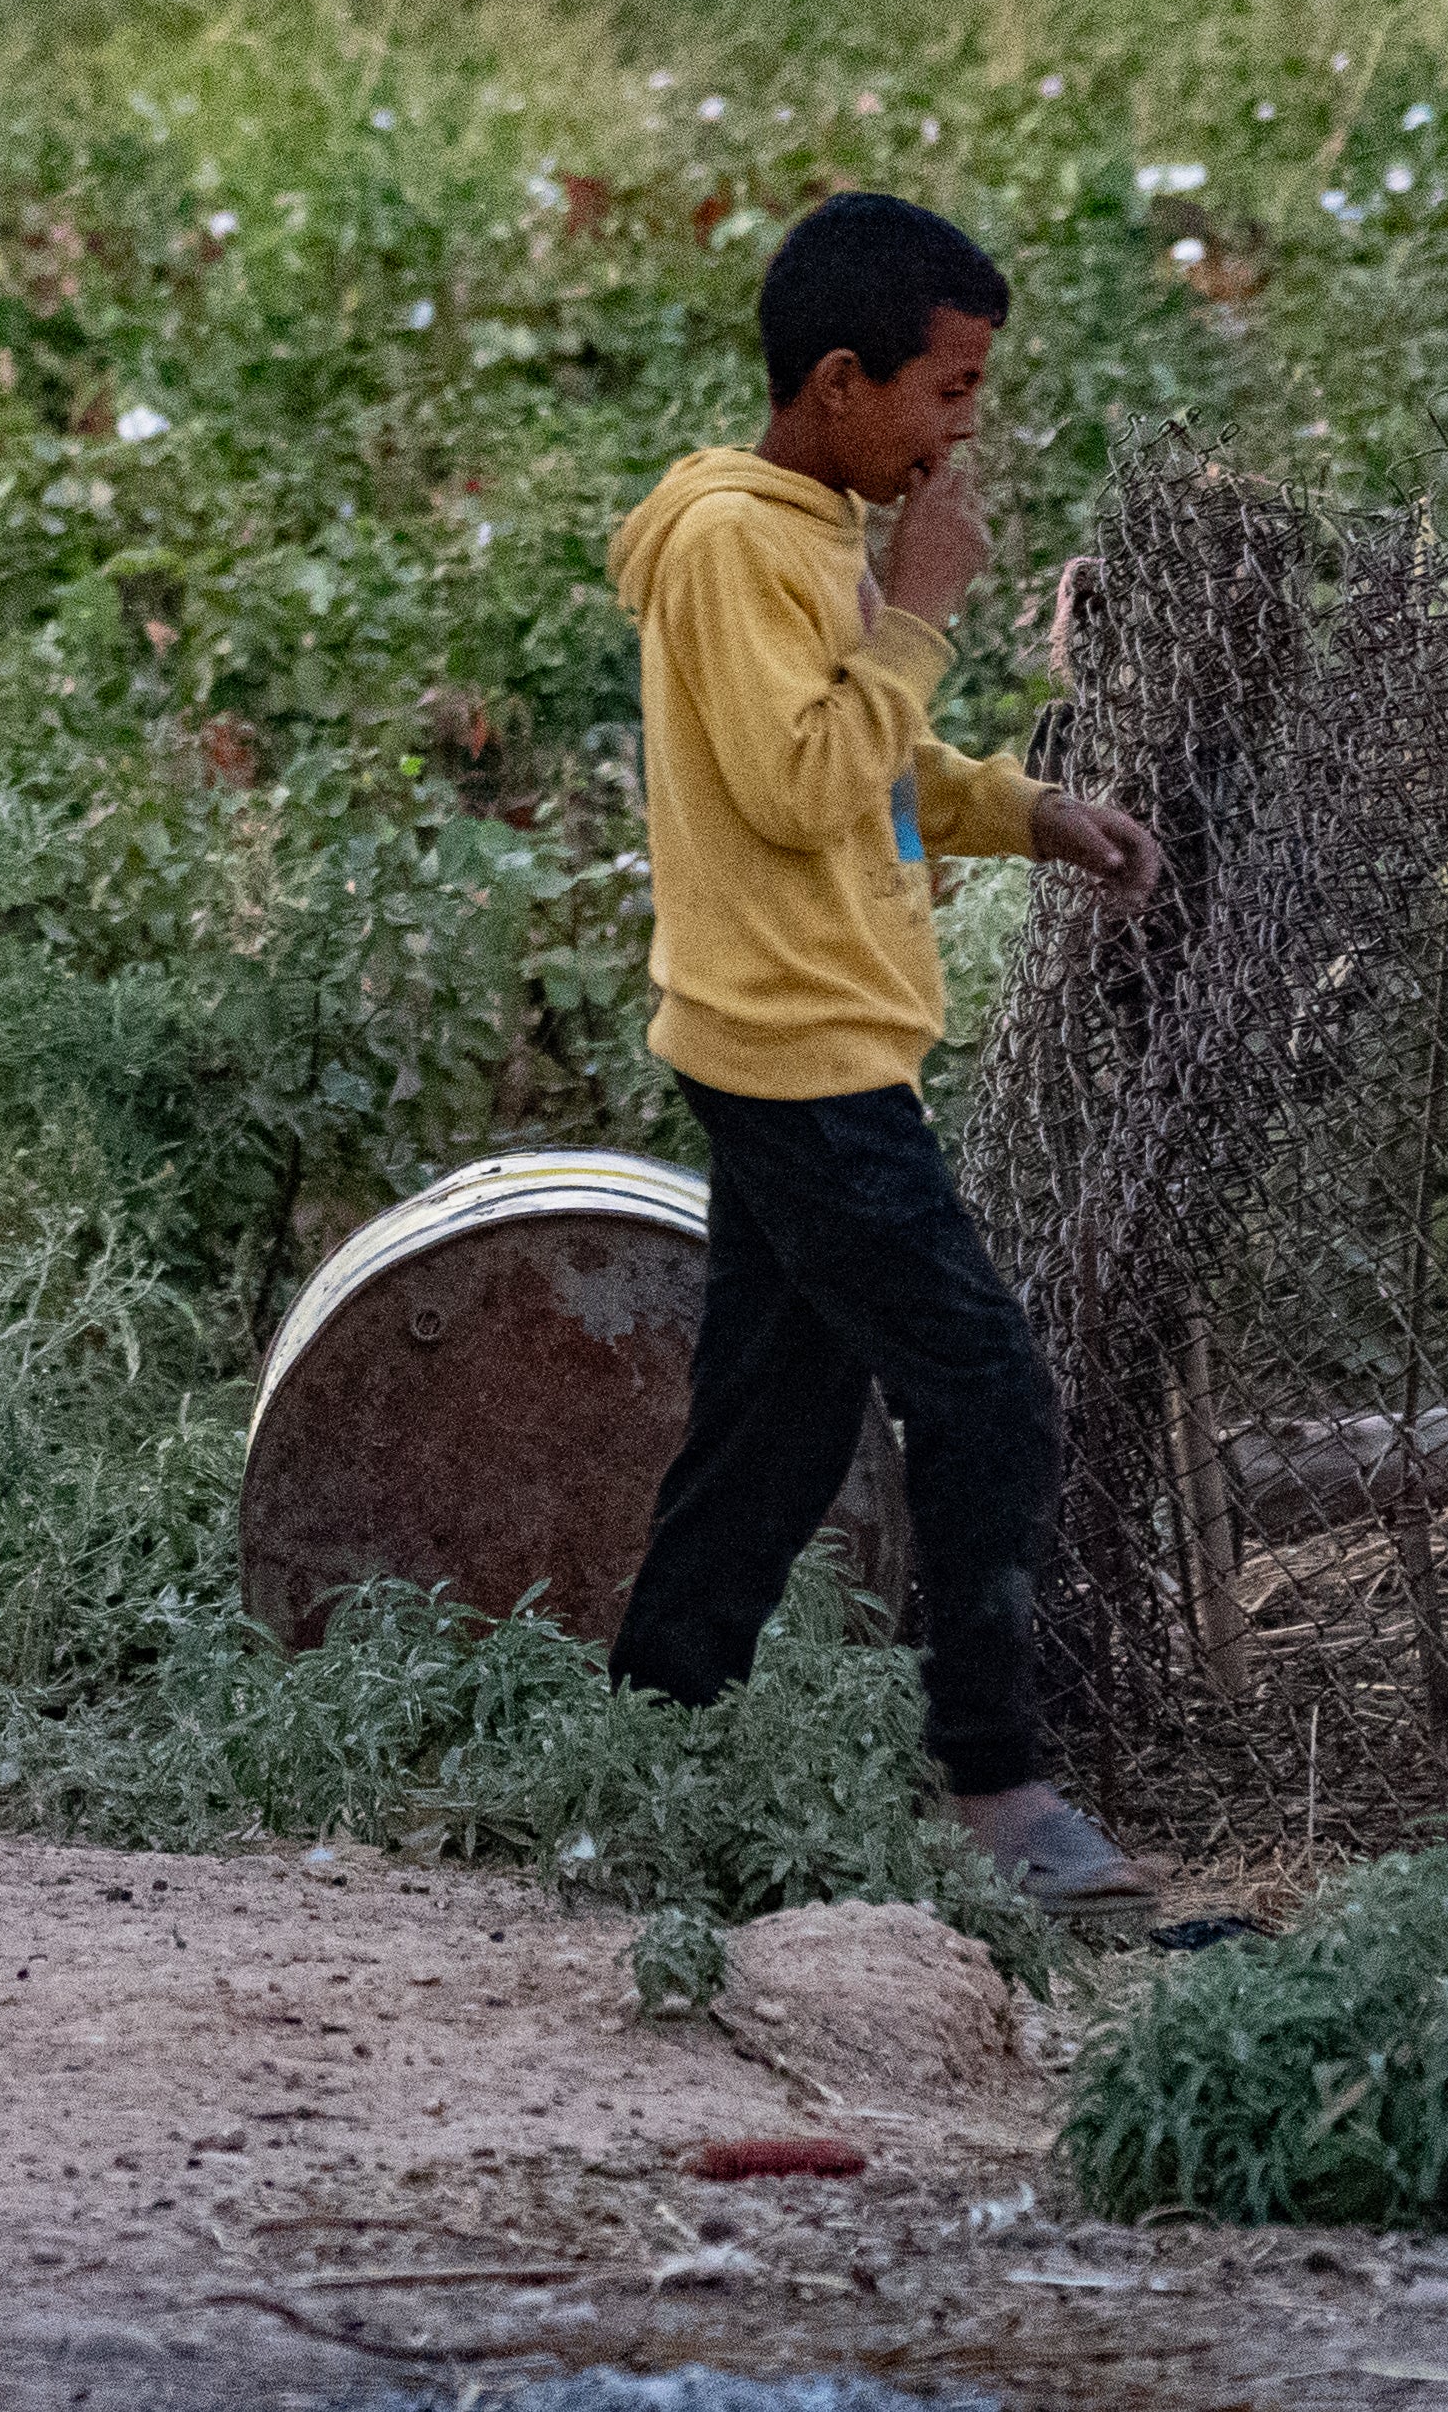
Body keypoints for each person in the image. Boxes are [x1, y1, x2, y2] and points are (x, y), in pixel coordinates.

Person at [602, 190, 1169, 1912]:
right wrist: (920, 606)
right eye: (948, 390)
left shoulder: (802, 534)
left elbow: (876, 755)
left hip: (814, 1035)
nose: (962, 428)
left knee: (773, 1422)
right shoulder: (732, 545)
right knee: (985, 1386)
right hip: (795, 1051)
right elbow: (798, 780)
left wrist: (1025, 806)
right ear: (840, 382)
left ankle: (649, 1747)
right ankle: (999, 1792)